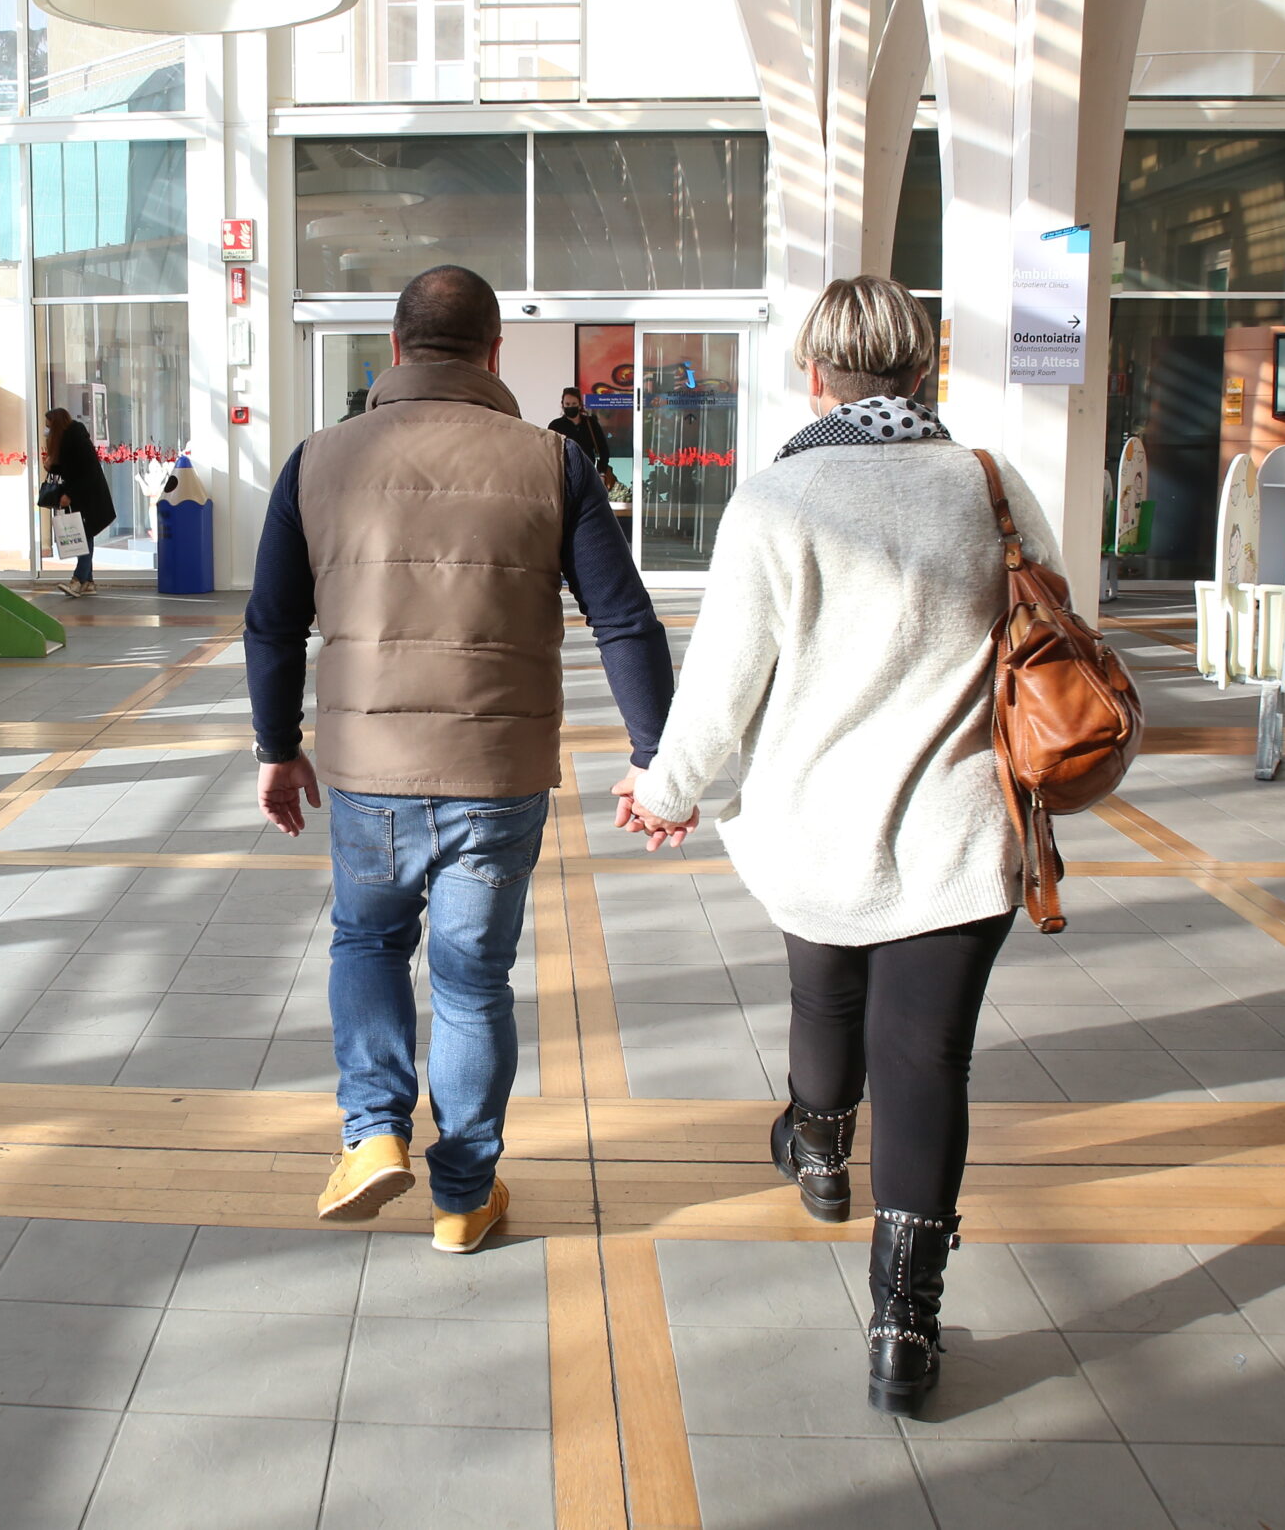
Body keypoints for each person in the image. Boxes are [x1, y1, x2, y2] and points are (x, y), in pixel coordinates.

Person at [620, 274, 1057, 1418]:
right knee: (927, 1065)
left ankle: (817, 1156)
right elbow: (1058, 630)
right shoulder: (989, 484)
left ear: (815, 374)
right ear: (927, 372)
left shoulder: (776, 500)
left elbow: (722, 684)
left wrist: (665, 791)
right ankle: (904, 1327)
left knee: (825, 1007)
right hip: (962, 834)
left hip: (813, 832)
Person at [245, 265, 679, 1253]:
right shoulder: (552, 462)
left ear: (395, 351)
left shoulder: (317, 460)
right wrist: (656, 759)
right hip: (497, 774)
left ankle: (372, 1135)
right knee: (473, 982)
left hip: (368, 770)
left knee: (366, 943)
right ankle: (462, 1198)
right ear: (492, 354)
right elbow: (623, 620)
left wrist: (278, 750)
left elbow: (271, 624)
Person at [42, 406, 114, 597]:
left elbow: (84, 474)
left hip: (89, 497)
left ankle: (78, 580)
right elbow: (72, 470)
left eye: (48, 426)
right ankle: (88, 582)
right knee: (85, 534)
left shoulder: (74, 441)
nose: (46, 430)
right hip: (87, 496)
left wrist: (69, 494)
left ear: (56, 426)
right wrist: (52, 467)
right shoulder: (72, 440)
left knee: (84, 535)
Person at [548, 385, 617, 490]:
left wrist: (602, 473)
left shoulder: (590, 423)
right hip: (564, 476)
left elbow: (603, 449)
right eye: (567, 404)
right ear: (562, 405)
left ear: (580, 405)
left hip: (588, 474)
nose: (570, 407)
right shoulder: (555, 426)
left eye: (574, 404)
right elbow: (550, 452)